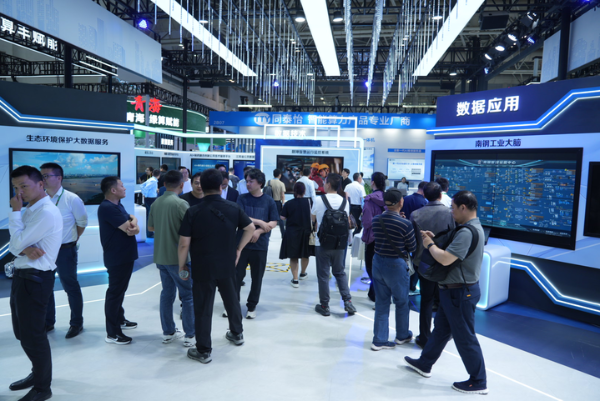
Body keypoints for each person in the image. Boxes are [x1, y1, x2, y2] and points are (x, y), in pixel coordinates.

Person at [405, 191, 487, 395]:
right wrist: (435, 242)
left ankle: (478, 380)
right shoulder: (472, 228)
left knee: (465, 337)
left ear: (463, 207)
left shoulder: (467, 232)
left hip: (459, 293)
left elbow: (445, 259)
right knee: (441, 330)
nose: (451, 212)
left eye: (453, 208)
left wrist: (430, 245)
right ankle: (424, 363)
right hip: (454, 292)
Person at [179, 169, 255, 363]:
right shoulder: (233, 207)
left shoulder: (193, 211)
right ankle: (237, 333)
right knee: (231, 300)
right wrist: (238, 249)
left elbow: (184, 243)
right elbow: (250, 228)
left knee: (203, 307)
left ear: (202, 187)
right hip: (227, 263)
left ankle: (203, 350)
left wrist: (182, 265)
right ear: (222, 186)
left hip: (202, 265)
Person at [8, 166, 63, 401]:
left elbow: (15, 243)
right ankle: (37, 373)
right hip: (23, 276)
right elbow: (16, 245)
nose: (19, 192)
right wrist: (24, 248)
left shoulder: (46, 212)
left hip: (36, 279)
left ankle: (42, 387)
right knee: (23, 333)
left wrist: (15, 213)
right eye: (16, 187)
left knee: (34, 336)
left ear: (40, 184)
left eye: (24, 186)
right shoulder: (32, 209)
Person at [41, 163, 88, 339]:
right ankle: (48, 322)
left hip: (65, 250)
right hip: (45, 251)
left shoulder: (71, 199)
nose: (43, 179)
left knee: (70, 287)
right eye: (42, 176)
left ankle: (76, 323)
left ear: (59, 178)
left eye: (46, 176)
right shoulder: (41, 199)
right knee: (46, 287)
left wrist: (72, 240)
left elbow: (81, 223)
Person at [148, 170, 195, 347]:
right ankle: (190, 335)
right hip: (179, 259)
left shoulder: (156, 203)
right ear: (182, 185)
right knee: (188, 295)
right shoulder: (181, 204)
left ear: (164, 184)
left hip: (161, 257)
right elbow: (192, 230)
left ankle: (168, 332)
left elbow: (151, 227)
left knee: (167, 294)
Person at [410, 181, 456, 349]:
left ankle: (424, 337)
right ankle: (442, 335)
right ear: (441, 195)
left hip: (423, 262)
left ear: (424, 195)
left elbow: (413, 241)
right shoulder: (451, 214)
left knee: (426, 300)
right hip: (445, 261)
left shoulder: (415, 214)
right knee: (444, 300)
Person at [370, 188, 417, 351]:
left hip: (378, 262)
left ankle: (379, 339)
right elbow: (412, 247)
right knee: (401, 301)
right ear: (401, 202)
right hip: (396, 265)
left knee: (382, 302)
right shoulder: (405, 224)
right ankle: (402, 335)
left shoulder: (376, 220)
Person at [98, 177, 139, 345]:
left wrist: (134, 222)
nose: (124, 188)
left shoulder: (117, 205)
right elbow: (130, 229)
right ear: (113, 190)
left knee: (120, 291)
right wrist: (133, 224)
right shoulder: (107, 207)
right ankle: (113, 332)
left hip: (125, 256)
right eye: (121, 186)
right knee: (115, 293)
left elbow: (131, 218)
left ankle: (119, 319)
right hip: (117, 257)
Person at [235, 168, 279, 319]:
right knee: (236, 276)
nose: (248, 184)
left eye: (251, 181)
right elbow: (240, 217)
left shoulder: (269, 201)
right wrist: (259, 222)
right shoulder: (242, 199)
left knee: (257, 278)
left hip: (260, 246)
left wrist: (258, 231)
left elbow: (273, 222)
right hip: (241, 245)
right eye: (247, 181)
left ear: (260, 183)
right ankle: (233, 305)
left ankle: (252, 306)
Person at [311, 173, 357, 317]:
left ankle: (325, 306)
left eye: (324, 182)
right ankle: (348, 301)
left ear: (328, 184)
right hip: (340, 243)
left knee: (323, 275)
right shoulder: (345, 202)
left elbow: (313, 218)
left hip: (322, 243)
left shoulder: (319, 200)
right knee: (340, 272)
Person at [279, 182, 312, 287]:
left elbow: (282, 217)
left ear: (294, 191)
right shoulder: (309, 202)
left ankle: (295, 279)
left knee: (294, 256)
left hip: (292, 232)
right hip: (306, 232)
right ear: (304, 191)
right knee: (305, 254)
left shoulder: (289, 203)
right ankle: (303, 273)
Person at [361, 172, 387, 302]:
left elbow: (366, 222)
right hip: (387, 237)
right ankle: (376, 292)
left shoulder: (369, 200)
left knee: (370, 266)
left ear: (372, 183)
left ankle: (376, 293)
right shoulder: (389, 198)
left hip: (372, 237)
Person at [401, 180, 429, 296]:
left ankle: (404, 285)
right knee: (416, 261)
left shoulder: (405, 199)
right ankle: (412, 286)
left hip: (403, 235)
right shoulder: (424, 203)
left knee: (405, 261)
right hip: (418, 237)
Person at [345, 172, 367, 237]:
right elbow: (362, 199)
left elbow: (345, 196)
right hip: (357, 208)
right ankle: (353, 238)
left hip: (348, 206)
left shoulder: (347, 186)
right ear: (358, 178)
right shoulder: (360, 187)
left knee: (348, 224)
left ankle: (349, 238)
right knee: (358, 225)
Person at [140, 169, 160, 238]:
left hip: (150, 199)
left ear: (152, 173)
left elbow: (141, 186)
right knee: (150, 216)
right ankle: (149, 233)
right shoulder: (153, 181)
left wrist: (145, 195)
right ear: (159, 175)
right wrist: (145, 194)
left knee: (150, 216)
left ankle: (149, 232)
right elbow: (145, 188)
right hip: (151, 199)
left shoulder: (151, 179)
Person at [269, 169, 287, 237]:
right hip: (278, 202)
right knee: (280, 219)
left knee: (270, 218)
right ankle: (283, 234)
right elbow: (282, 195)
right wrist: (283, 203)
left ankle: (268, 234)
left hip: (270, 202)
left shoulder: (269, 182)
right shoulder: (281, 183)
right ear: (280, 175)